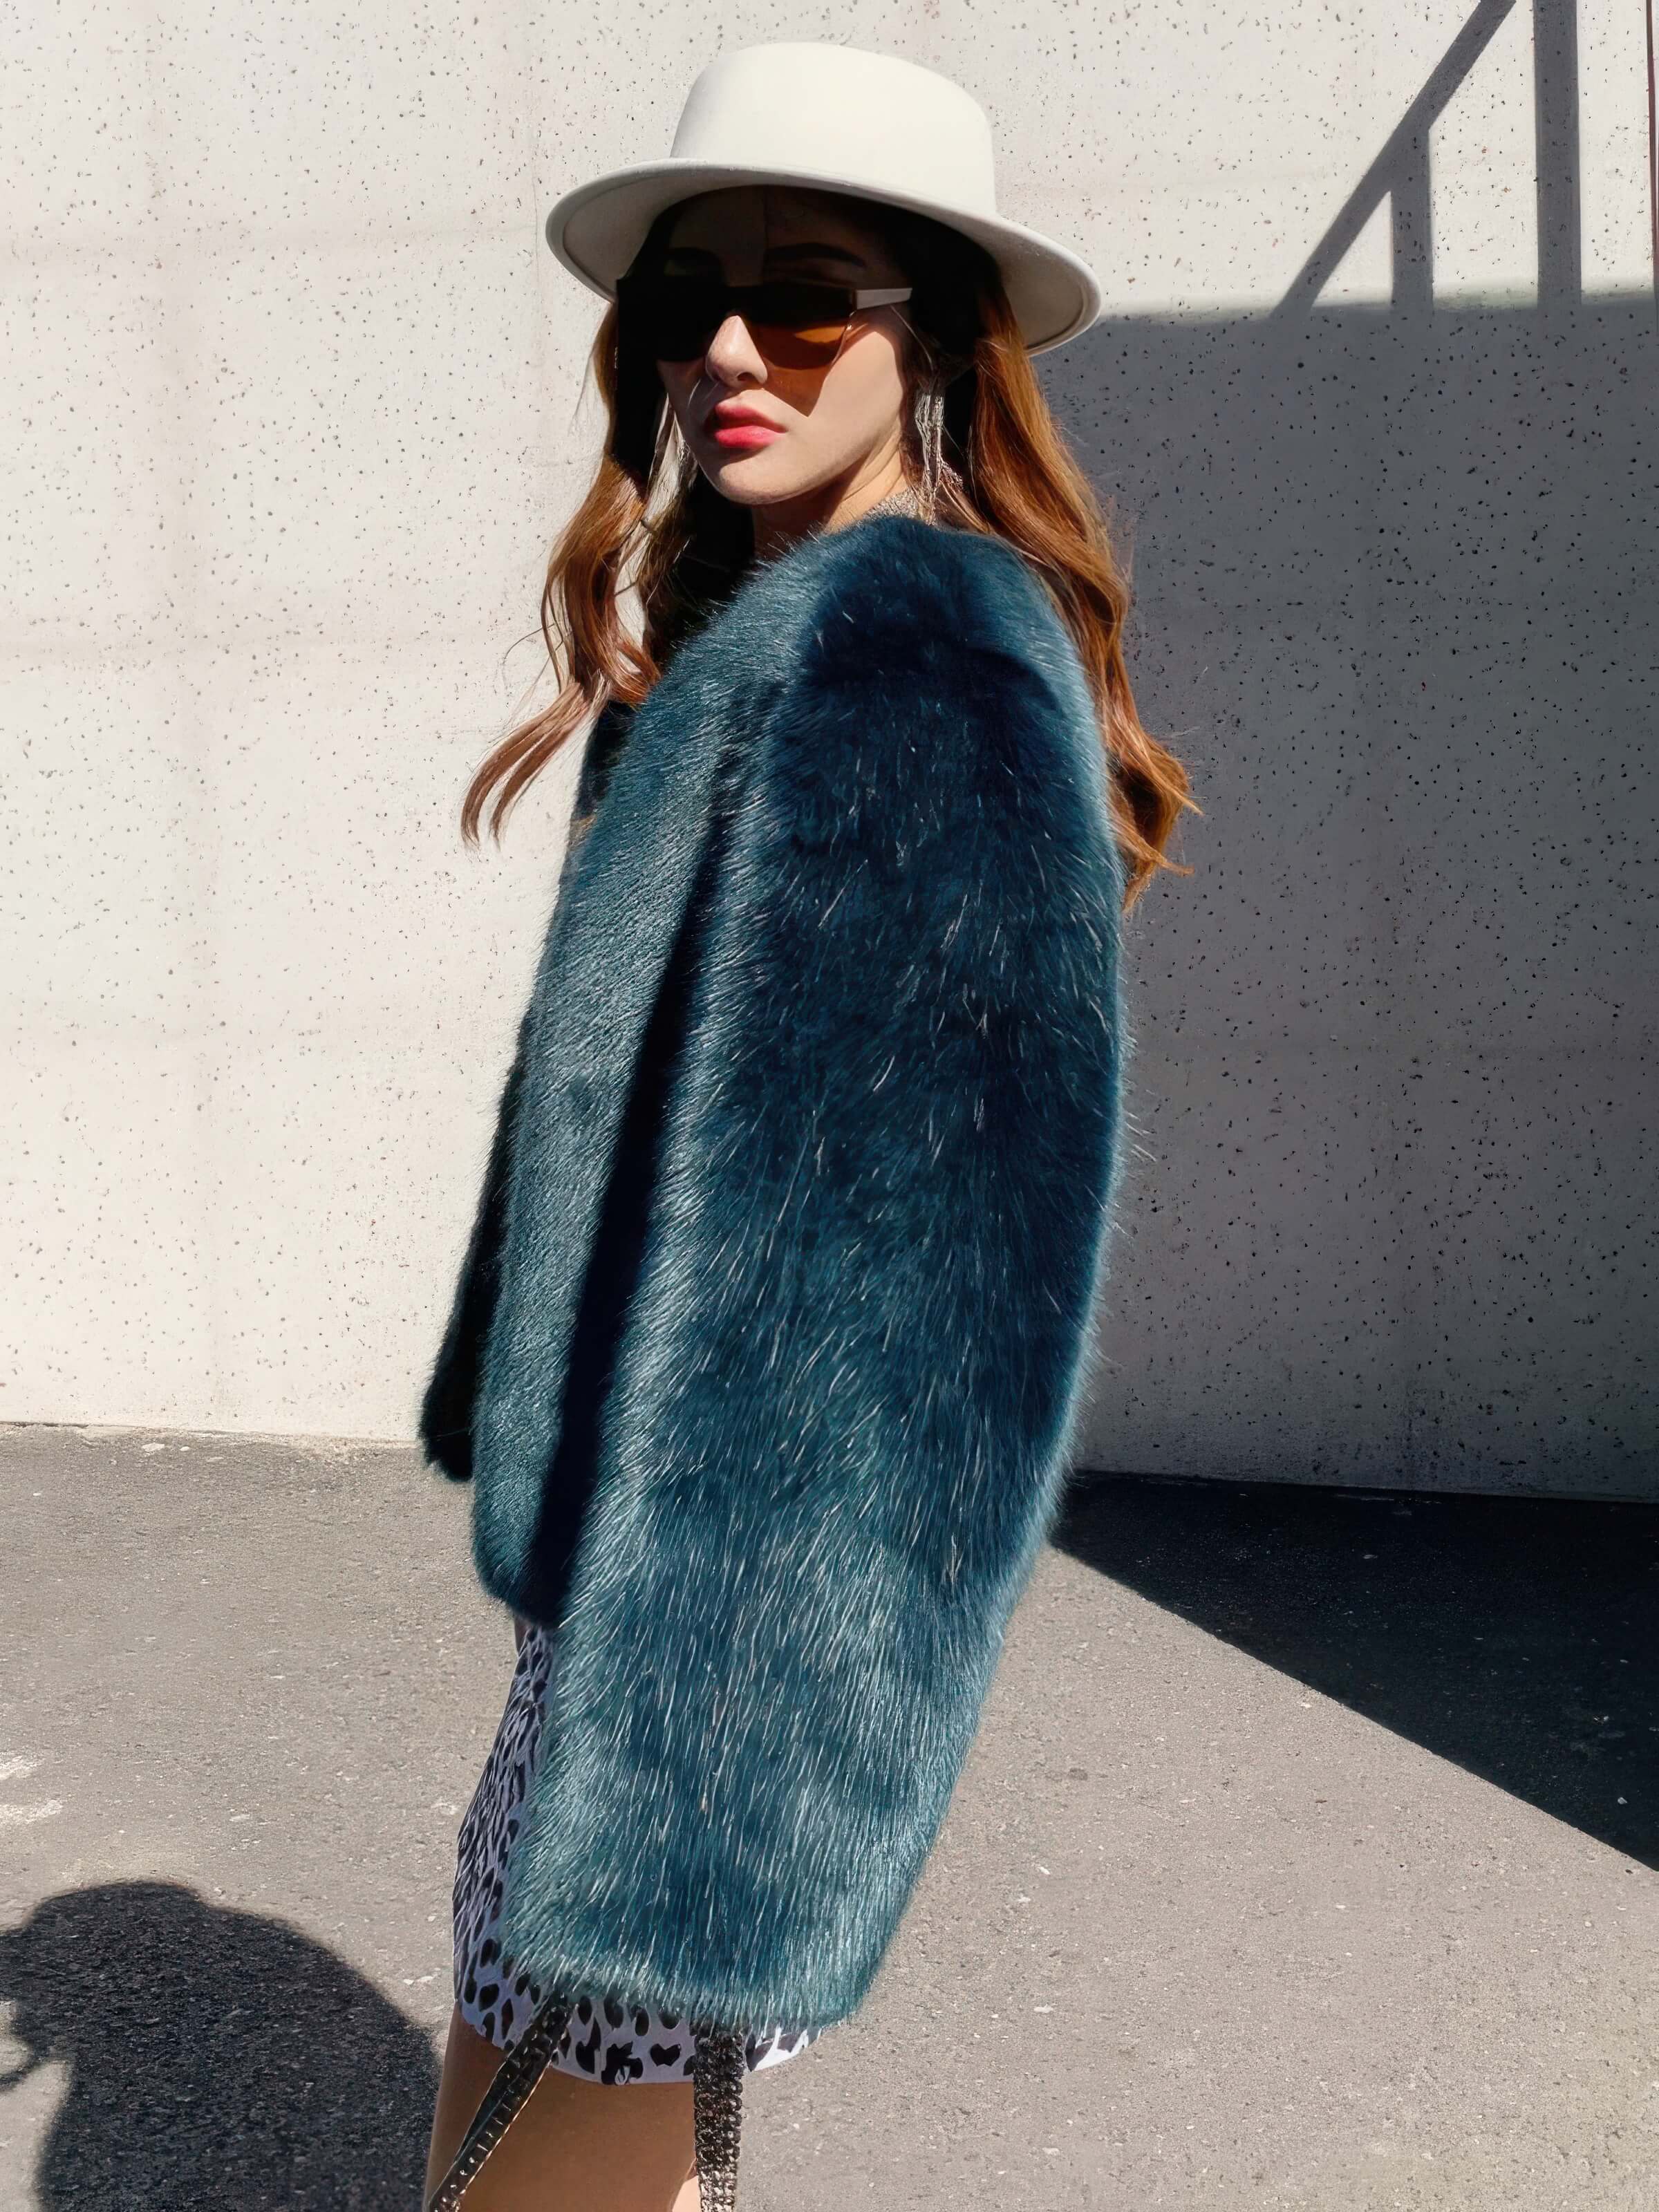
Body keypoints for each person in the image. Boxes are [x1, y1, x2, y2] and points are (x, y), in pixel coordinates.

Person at [419, 39, 1194, 2212]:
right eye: (691, 301)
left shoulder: (908, 667)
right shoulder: (749, 640)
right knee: (542, 2108)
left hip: (705, 1661)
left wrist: (708, 1777)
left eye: (807, 297)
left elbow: (893, 1292)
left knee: (537, 2142)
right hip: (634, 1607)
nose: (732, 353)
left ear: (933, 337)